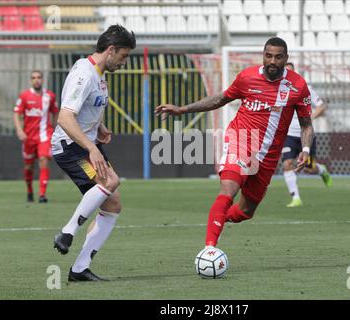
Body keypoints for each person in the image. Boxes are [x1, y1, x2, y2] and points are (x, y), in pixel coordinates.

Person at [155, 37, 313, 250]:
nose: (272, 61)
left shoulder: (298, 86)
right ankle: (209, 248)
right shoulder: (247, 77)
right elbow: (220, 99)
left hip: (268, 156)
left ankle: (217, 219)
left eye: (278, 57)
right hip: (242, 141)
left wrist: (305, 149)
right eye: (268, 56)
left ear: (286, 58)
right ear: (263, 56)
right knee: (228, 191)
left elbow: (306, 125)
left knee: (246, 212)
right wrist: (183, 109)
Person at [51, 24, 136, 281]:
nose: (124, 62)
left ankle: (79, 269)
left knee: (113, 204)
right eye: (123, 56)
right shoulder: (85, 74)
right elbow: (65, 117)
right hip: (70, 146)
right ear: (111, 50)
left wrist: (99, 126)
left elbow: (88, 107)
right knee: (111, 181)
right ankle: (67, 232)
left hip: (86, 142)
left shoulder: (99, 74)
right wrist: (91, 148)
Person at [281, 62, 332, 207]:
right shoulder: (277, 90)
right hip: (288, 135)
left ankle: (321, 170)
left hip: (306, 135)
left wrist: (310, 118)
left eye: (290, 72)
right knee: (287, 164)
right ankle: (296, 197)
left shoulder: (305, 88)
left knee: (309, 169)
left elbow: (321, 106)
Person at [13, 70, 58, 203]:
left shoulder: (50, 96)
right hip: (28, 137)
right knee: (28, 167)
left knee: (43, 159)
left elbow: (55, 112)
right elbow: (16, 113)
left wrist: (55, 129)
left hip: (44, 135)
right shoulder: (25, 96)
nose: (36, 80)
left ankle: (42, 195)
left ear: (42, 80)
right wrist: (19, 131)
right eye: (33, 78)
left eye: (39, 77)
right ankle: (29, 191)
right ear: (31, 80)